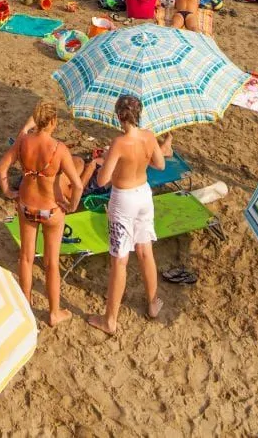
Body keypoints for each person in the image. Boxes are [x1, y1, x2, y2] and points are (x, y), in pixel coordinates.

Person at [0, 100, 82, 326]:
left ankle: (26, 306)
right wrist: (72, 206)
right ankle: (54, 313)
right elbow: (78, 185)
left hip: (27, 206)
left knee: (26, 258)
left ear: (36, 119)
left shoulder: (23, 141)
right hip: (51, 209)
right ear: (53, 121)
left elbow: (1, 168)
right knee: (51, 263)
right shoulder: (59, 149)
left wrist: (8, 191)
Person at [86, 94, 164, 337]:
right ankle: (153, 303)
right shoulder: (149, 136)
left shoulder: (119, 143)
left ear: (120, 116)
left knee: (120, 260)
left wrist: (106, 159)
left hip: (124, 199)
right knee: (145, 250)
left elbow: (102, 180)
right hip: (144, 194)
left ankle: (110, 320)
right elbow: (160, 164)